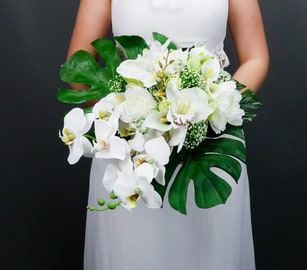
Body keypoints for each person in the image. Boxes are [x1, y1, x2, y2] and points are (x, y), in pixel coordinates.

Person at [66, 0, 269, 269]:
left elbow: (256, 57)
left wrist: (211, 110)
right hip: (131, 158)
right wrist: (128, 119)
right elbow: (77, 71)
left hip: (207, 148)